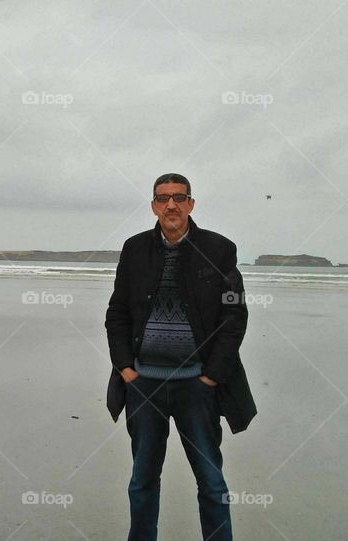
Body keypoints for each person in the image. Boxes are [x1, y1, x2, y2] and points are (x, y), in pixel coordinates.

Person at [105, 173, 256, 541]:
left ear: (191, 203)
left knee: (210, 479)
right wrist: (126, 368)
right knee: (142, 480)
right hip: (144, 385)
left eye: (178, 197)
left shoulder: (219, 249)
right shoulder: (135, 248)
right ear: (154, 205)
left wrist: (212, 376)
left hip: (197, 385)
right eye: (162, 198)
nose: (170, 204)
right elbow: (117, 312)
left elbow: (233, 317)